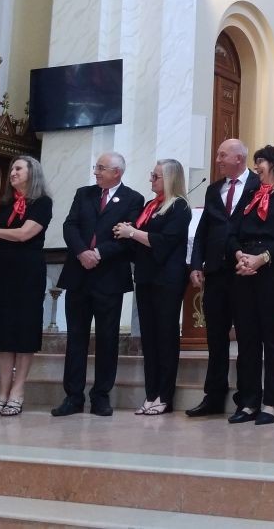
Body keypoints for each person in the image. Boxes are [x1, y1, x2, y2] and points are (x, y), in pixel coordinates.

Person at [51, 152, 144, 418]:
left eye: (101, 168)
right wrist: (82, 252)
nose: (96, 172)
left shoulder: (133, 199)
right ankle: (73, 396)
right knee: (76, 338)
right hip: (78, 274)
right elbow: (70, 226)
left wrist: (99, 254)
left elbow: (127, 238)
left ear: (117, 172)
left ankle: (101, 396)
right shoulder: (84, 194)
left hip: (109, 278)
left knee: (107, 339)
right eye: (96, 167)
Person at [0, 155, 53, 417]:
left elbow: (25, 234)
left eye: (18, 168)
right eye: (12, 169)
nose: (13, 173)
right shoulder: (6, 205)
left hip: (27, 271)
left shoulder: (42, 203)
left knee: (23, 333)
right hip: (3, 270)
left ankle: (18, 392)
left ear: (32, 173)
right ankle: (2, 392)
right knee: (4, 333)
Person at [227, 145, 274, 425]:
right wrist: (239, 255)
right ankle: (248, 401)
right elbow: (232, 232)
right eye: (256, 161)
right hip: (244, 268)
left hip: (273, 270)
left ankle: (271, 403)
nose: (256, 166)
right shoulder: (249, 194)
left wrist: (261, 259)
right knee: (246, 338)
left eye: (261, 161)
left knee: (271, 338)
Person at [113, 159, 192, 416]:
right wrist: (126, 234)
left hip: (167, 279)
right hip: (146, 277)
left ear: (169, 178)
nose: (151, 179)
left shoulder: (179, 207)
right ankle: (151, 393)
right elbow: (140, 239)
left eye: (156, 176)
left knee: (166, 337)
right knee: (149, 337)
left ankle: (165, 396)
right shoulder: (149, 206)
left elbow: (164, 242)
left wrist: (132, 233)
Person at [187, 138, 259, 417]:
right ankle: (213, 396)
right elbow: (204, 229)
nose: (217, 159)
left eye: (222, 155)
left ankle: (247, 398)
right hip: (216, 272)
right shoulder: (214, 190)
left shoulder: (258, 186)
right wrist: (196, 263)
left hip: (245, 271)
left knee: (247, 337)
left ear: (238, 158)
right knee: (215, 337)